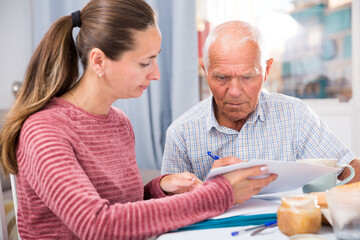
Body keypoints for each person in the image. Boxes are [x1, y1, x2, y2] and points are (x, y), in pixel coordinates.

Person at [0, 1, 277, 239]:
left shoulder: (118, 122)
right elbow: (97, 225)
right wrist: (222, 192)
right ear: (98, 62)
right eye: (145, 63)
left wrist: (160, 188)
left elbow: (123, 206)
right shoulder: (44, 130)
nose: (156, 74)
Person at [161, 20, 360, 183]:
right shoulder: (182, 134)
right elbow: (169, 211)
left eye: (247, 77)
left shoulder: (295, 115)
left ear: (267, 70)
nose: (235, 92)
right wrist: (209, 190)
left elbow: (348, 171)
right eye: (221, 77)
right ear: (205, 71)